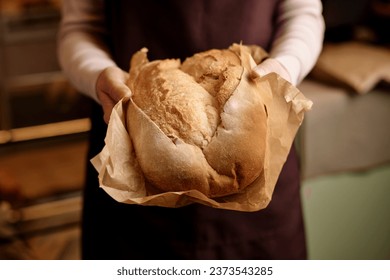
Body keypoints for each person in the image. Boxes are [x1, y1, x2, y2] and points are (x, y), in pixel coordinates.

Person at [57, 0, 324, 260]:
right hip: (131, 157)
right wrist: (98, 75)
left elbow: (302, 14)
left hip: (259, 157)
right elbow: (81, 28)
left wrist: (283, 70)